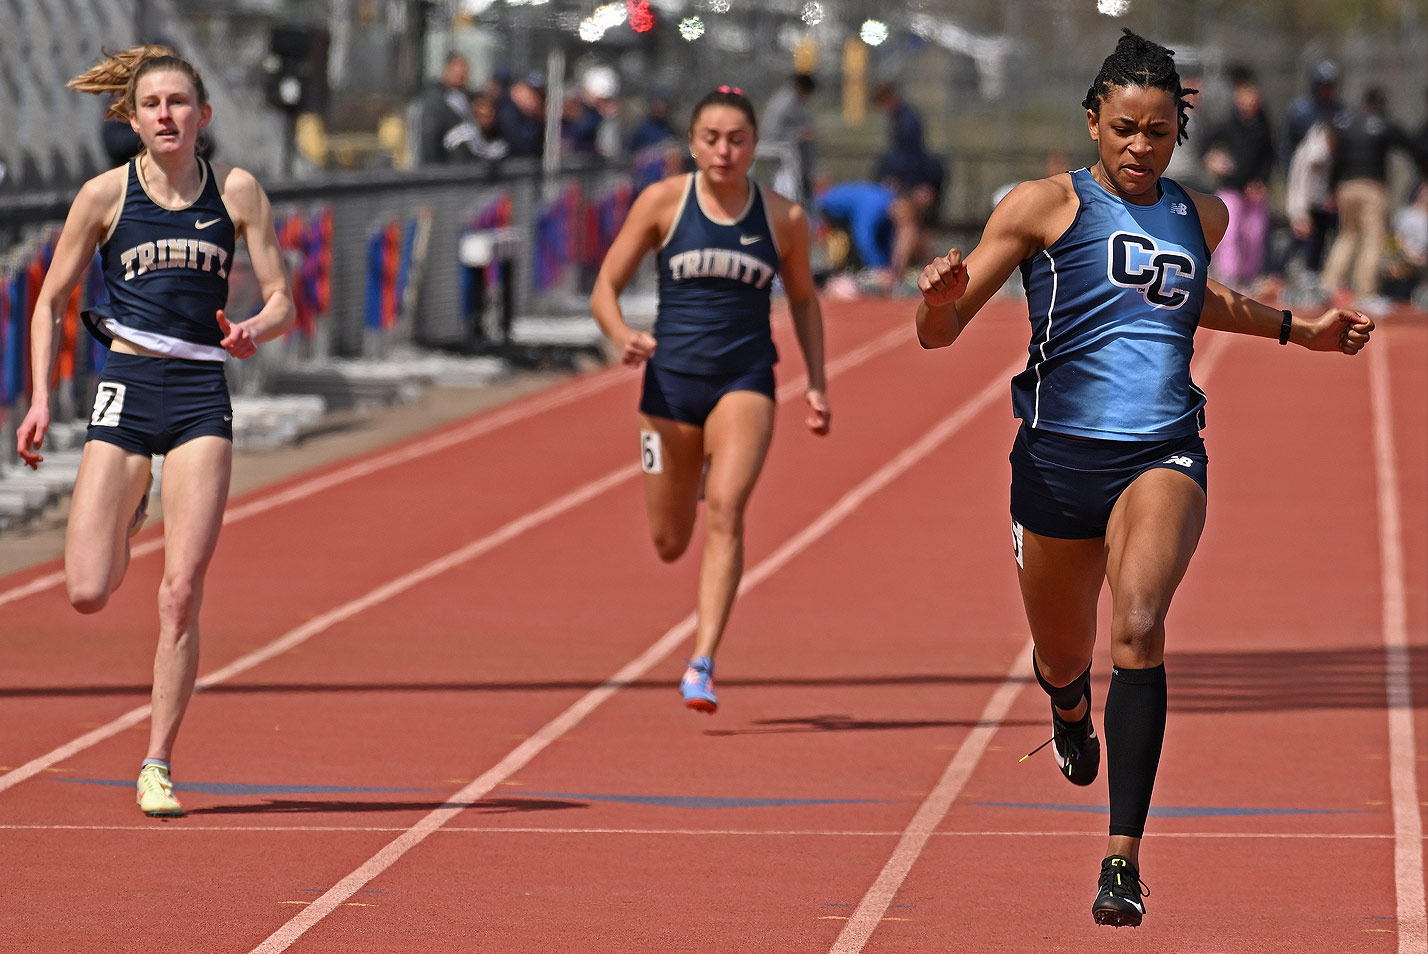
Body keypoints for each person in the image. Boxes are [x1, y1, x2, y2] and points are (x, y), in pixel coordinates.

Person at [913, 30, 1372, 928]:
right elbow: (941, 332)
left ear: (1177, 136)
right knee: (1061, 654)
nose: (1139, 147)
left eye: (1158, 133)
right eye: (1124, 128)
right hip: (1053, 460)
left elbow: (1192, 294)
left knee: (1139, 625)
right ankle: (1069, 709)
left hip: (1161, 450)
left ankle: (1120, 860)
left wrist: (1297, 330)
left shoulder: (1202, 216)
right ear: (1093, 123)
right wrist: (937, 301)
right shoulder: (1041, 208)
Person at [18, 46, 294, 816]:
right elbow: (50, 302)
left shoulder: (236, 192)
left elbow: (283, 300)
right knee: (86, 591)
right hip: (125, 389)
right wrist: (42, 399)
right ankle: (133, 506)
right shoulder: (104, 197)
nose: (167, 116)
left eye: (180, 103)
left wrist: (252, 331)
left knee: (180, 594)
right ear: (132, 119)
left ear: (204, 116)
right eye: (153, 105)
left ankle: (156, 763)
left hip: (202, 391)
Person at [589, 85, 831, 714]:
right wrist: (622, 336)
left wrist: (817, 382)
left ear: (755, 145)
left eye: (737, 139)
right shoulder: (662, 203)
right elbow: (604, 290)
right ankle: (687, 475)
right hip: (666, 389)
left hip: (744, 380)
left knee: (726, 510)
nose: (724, 151)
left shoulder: (784, 218)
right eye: (711, 139)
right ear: (693, 144)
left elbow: (803, 299)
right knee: (669, 540)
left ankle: (702, 661)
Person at [1321, 86, 1425, 311]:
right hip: (1371, 188)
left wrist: (1331, 189)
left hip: (1345, 186)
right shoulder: (1382, 123)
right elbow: (1411, 146)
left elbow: (1336, 158)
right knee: (1373, 238)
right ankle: (1366, 293)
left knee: (1347, 235)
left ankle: (1327, 285)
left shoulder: (1346, 124)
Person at [1200, 66, 1275, 288]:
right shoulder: (1227, 122)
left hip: (1254, 191)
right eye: (1245, 98)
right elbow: (1204, 145)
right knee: (1230, 234)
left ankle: (1248, 277)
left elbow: (1270, 156)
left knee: (1254, 236)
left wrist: (1261, 181)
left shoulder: (1263, 125)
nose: (1250, 103)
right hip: (1230, 188)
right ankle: (1229, 278)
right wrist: (1212, 159)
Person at [817, 179, 931, 289]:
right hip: (828, 212)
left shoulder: (888, 208)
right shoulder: (875, 206)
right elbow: (863, 238)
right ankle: (830, 279)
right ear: (899, 204)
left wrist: (887, 268)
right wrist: (879, 268)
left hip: (847, 216)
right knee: (842, 246)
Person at [417, 52, 474, 166]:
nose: (461, 77)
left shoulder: (463, 98)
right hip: (445, 169)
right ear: (447, 71)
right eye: (457, 72)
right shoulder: (436, 100)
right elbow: (430, 141)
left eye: (464, 73)